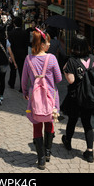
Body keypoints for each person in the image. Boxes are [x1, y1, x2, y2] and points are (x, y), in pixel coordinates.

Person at [22, 29, 62, 169]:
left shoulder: (28, 59)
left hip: (35, 98)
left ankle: (40, 159)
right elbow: (59, 78)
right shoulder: (51, 58)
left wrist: (26, 92)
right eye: (48, 42)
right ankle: (48, 153)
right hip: (51, 97)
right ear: (42, 43)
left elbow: (23, 81)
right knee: (50, 123)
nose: (50, 44)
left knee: (37, 125)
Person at [60, 34, 94, 163]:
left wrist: (65, 71)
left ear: (74, 46)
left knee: (72, 120)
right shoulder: (93, 59)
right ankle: (90, 152)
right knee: (87, 123)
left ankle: (68, 141)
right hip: (89, 97)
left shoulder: (72, 61)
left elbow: (71, 80)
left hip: (76, 97)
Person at [8, 16, 29, 92]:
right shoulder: (25, 33)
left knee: (13, 70)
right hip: (22, 55)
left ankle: (11, 83)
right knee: (22, 71)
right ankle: (21, 87)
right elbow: (26, 45)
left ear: (14, 24)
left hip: (13, 54)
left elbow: (9, 46)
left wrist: (10, 55)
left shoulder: (11, 33)